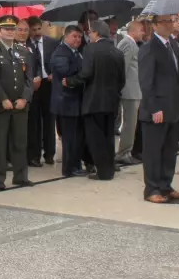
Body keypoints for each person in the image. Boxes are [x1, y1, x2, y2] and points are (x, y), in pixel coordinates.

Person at [138, 14, 179, 203]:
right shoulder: (150, 48)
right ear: (155, 25)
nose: (170, 25)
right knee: (153, 151)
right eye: (165, 22)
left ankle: (165, 185)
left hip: (173, 106)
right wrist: (154, 107)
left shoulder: (174, 45)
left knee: (169, 150)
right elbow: (146, 81)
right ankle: (152, 188)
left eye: (171, 21)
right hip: (156, 108)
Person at [0, 15, 34, 191]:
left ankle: (21, 176)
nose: (11, 32)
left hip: (20, 105)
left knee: (20, 142)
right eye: (6, 29)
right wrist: (3, 98)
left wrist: (24, 98)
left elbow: (29, 79)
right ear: (0, 31)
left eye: (13, 29)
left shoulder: (24, 51)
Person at [72, 18, 125, 181]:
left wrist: (71, 80)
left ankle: (102, 171)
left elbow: (86, 73)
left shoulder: (90, 49)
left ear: (96, 33)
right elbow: (122, 79)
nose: (88, 35)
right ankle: (110, 168)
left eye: (89, 32)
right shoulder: (117, 51)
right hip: (111, 101)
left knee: (95, 138)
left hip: (94, 101)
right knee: (109, 136)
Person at [49, 25, 86, 178]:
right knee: (69, 137)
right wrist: (84, 69)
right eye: (74, 36)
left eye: (80, 37)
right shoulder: (61, 52)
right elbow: (66, 71)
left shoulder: (76, 53)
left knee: (77, 136)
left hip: (76, 101)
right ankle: (68, 168)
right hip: (65, 101)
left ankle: (76, 164)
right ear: (66, 36)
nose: (78, 40)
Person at [23, 17, 58, 167]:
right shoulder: (26, 45)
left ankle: (49, 153)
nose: (37, 32)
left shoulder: (52, 43)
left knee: (49, 120)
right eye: (34, 30)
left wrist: (55, 73)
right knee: (34, 121)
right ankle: (34, 155)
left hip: (49, 84)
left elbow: (58, 61)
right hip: (33, 85)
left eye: (39, 29)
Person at [115, 18, 143, 166]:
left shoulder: (132, 44)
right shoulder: (127, 43)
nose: (143, 32)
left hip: (134, 90)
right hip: (129, 91)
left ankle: (127, 151)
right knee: (129, 123)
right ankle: (123, 152)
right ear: (132, 31)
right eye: (140, 30)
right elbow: (123, 67)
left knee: (132, 123)